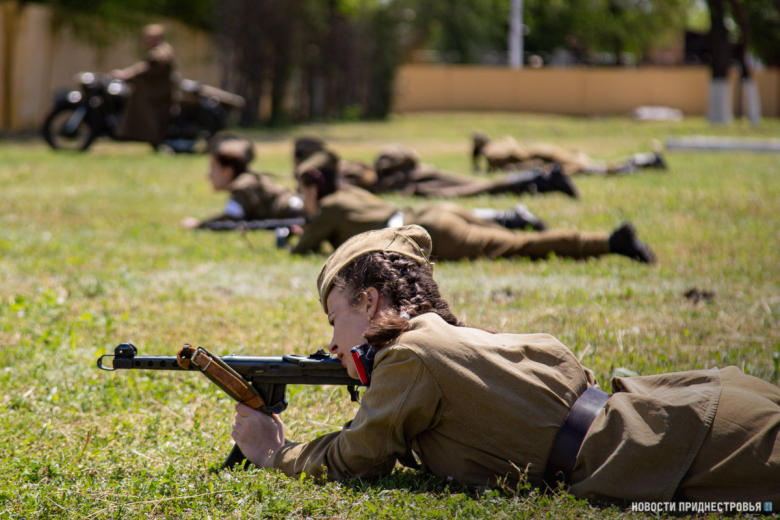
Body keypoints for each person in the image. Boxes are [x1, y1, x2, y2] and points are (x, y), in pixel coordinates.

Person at [231, 225, 780, 508]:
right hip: (685, 415)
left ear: (370, 301)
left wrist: (276, 451)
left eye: (335, 319)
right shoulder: (455, 340)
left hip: (681, 449)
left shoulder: (410, 356)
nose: (331, 342)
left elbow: (357, 459)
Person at [290, 150, 655, 263]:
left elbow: (302, 250)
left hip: (429, 232)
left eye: (303, 191)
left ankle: (611, 242)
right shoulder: (348, 194)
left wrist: (299, 232)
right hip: (435, 214)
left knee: (519, 246)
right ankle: (596, 242)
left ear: (313, 189)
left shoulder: (327, 210)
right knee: (512, 239)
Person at [294, 138, 579, 199]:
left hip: (416, 181)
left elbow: (369, 180)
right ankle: (541, 179)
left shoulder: (342, 172)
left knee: (476, 188)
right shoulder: (341, 169)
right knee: (477, 186)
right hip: (416, 178)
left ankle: (541, 179)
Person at [180, 136, 303, 230]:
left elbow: (231, 220)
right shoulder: (246, 180)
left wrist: (199, 225)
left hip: (296, 211)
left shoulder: (241, 187)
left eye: (213, 168)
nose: (209, 175)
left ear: (228, 171)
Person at [472, 131, 668, 176]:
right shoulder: (502, 142)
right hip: (547, 153)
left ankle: (643, 162)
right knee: (597, 166)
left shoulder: (492, 153)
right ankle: (644, 161)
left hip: (548, 159)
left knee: (597, 168)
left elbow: (519, 158)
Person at [111, 24, 177, 147]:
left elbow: (147, 65)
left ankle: (155, 140)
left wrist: (126, 74)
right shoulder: (159, 50)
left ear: (156, 39)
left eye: (148, 38)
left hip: (156, 96)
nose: (145, 41)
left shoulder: (161, 51)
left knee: (149, 118)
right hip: (154, 94)